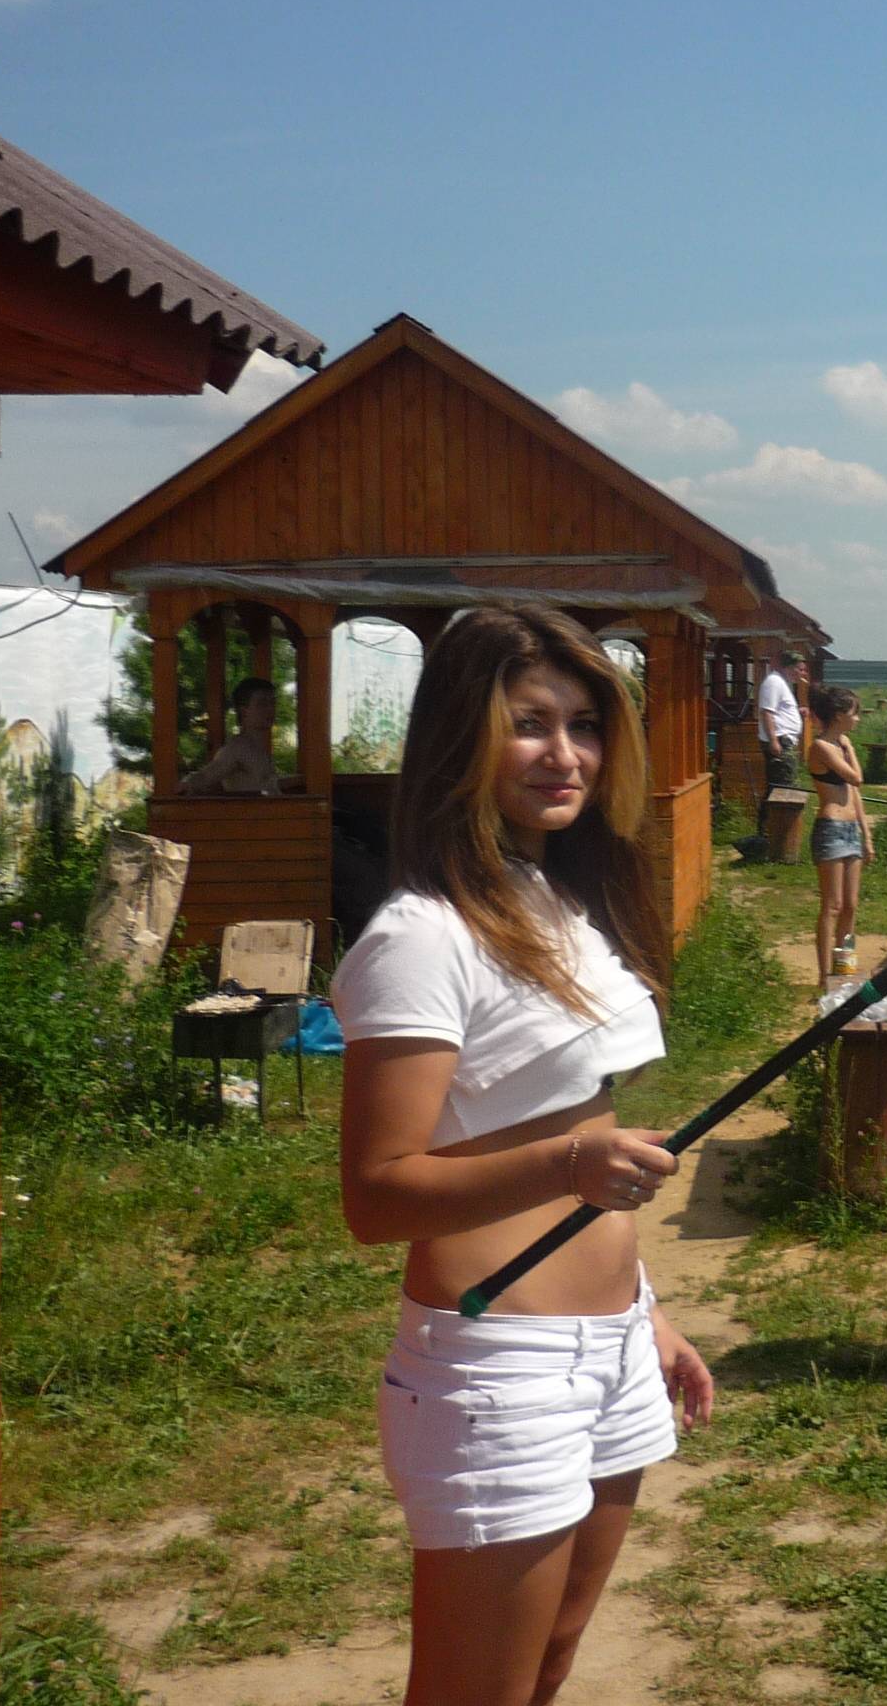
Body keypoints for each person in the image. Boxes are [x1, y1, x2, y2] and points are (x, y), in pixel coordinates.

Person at [332, 606, 716, 1706]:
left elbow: (568, 1126)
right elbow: (376, 1195)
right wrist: (568, 1163)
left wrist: (642, 1310)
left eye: (585, 725)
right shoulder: (420, 937)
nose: (566, 755)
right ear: (462, 739)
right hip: (497, 1368)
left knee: (547, 1665)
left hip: (607, 1345)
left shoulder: (564, 901)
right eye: (529, 724)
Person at [803, 685, 873, 987]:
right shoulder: (822, 747)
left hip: (851, 830)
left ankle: (843, 968)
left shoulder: (841, 745)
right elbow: (856, 777)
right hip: (830, 828)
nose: (857, 719)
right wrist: (852, 750)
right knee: (831, 905)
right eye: (854, 713)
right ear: (839, 716)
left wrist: (866, 835)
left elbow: (855, 793)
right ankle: (823, 977)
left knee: (851, 905)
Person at [178, 676, 282, 795]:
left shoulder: (259, 749)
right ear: (244, 711)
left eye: (273, 702)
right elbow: (205, 776)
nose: (270, 709)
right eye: (262, 704)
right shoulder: (236, 749)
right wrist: (186, 784)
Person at [755, 651, 808, 793]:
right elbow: (767, 712)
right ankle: (773, 815)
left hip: (784, 741)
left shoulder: (782, 683)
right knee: (783, 785)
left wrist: (798, 712)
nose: (803, 674)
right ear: (789, 667)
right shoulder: (774, 682)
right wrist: (773, 741)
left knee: (783, 784)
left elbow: (779, 712)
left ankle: (770, 815)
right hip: (780, 741)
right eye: (800, 669)